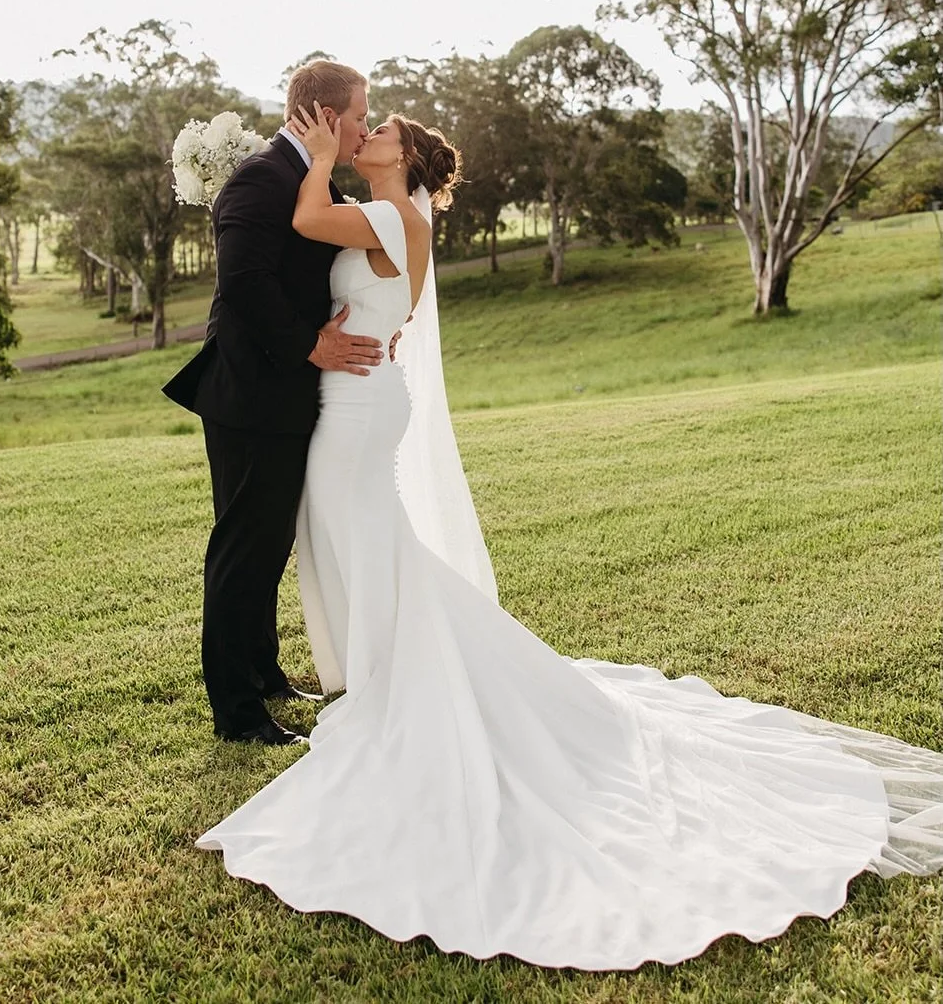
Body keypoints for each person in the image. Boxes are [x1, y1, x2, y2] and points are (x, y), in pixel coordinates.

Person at [196, 105, 943, 971]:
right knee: (369, 547)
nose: (363, 137)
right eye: (358, 130)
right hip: (357, 399)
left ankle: (392, 686)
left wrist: (318, 157)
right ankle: (382, 674)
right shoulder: (402, 216)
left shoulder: (388, 212)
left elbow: (302, 221)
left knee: (367, 544)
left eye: (378, 134)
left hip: (357, 411)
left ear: (404, 159)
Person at [161, 60, 384, 747]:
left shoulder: (305, 178)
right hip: (252, 396)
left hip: (279, 398)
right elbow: (245, 284)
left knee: (267, 544)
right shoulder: (259, 179)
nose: (365, 128)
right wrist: (310, 347)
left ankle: (265, 677)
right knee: (243, 551)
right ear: (322, 116)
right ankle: (238, 714)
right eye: (359, 116)